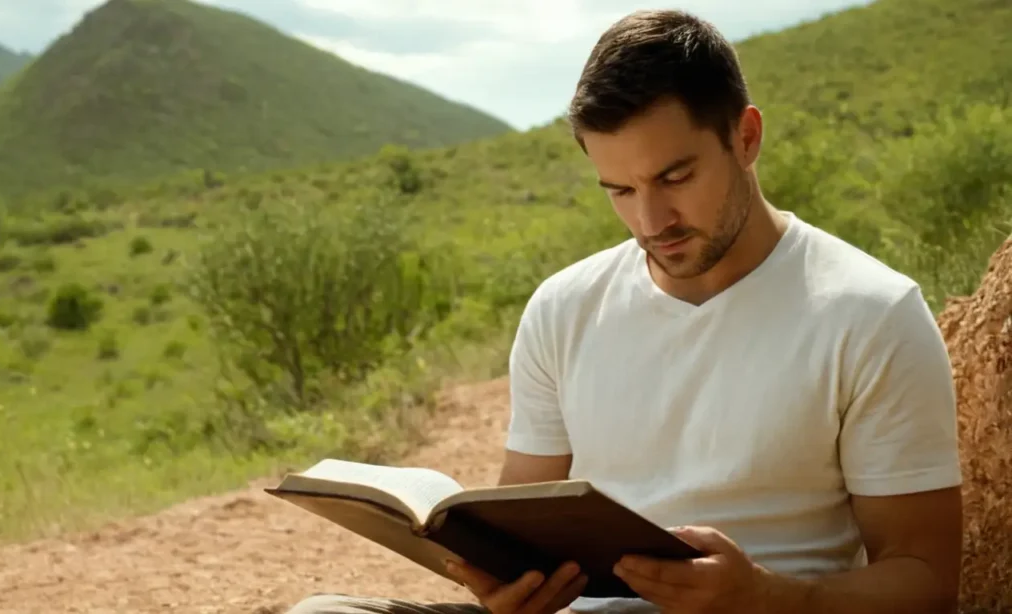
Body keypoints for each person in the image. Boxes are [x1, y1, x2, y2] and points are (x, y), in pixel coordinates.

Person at [287, 8, 963, 614]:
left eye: (675, 177)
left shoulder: (871, 314)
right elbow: (520, 523)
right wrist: (505, 587)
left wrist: (766, 596)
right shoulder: (564, 307)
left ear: (746, 137)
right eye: (619, 189)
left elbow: (926, 581)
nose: (651, 219)